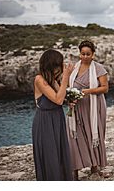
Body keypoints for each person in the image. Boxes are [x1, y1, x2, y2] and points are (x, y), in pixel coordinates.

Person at [67, 40, 109, 179]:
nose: (85, 56)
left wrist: (89, 91)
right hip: (76, 107)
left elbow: (105, 88)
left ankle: (94, 167)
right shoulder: (73, 68)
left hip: (94, 106)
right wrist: (70, 98)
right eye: (82, 54)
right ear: (79, 54)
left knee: (94, 134)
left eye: (88, 54)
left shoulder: (98, 68)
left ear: (93, 54)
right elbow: (67, 86)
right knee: (75, 137)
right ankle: (75, 169)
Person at [33, 50, 75, 180]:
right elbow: (58, 99)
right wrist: (66, 77)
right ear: (51, 65)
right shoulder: (39, 79)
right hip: (45, 121)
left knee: (60, 152)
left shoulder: (53, 80)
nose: (61, 68)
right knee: (50, 154)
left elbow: (61, 98)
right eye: (59, 65)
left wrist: (70, 101)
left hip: (57, 119)